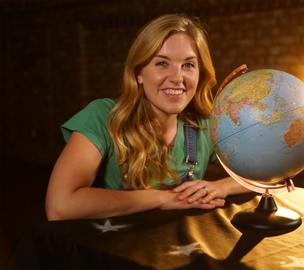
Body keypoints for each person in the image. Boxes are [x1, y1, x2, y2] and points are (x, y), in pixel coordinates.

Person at [45, 14, 249, 221]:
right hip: (112, 249)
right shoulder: (102, 116)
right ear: (138, 73)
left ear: (200, 74)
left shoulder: (204, 125)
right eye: (162, 63)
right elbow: (61, 206)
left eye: (188, 65)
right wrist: (163, 198)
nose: (177, 77)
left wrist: (220, 187)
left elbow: (275, 177)